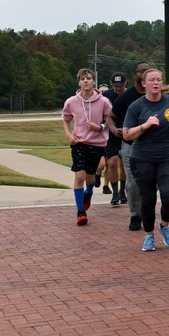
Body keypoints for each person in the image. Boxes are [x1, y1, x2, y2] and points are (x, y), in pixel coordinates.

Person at [122, 68, 169, 252]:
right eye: (152, 80)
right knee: (147, 200)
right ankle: (148, 235)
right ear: (144, 84)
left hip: (168, 156)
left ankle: (164, 225)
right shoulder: (136, 106)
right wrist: (145, 125)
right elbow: (126, 135)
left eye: (159, 80)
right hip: (142, 158)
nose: (156, 83)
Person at [61, 69, 113, 226]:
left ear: (93, 81)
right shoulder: (71, 102)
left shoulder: (103, 101)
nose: (85, 81)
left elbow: (110, 120)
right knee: (80, 176)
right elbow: (65, 119)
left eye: (89, 78)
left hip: (96, 144)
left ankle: (89, 192)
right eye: (82, 79)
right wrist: (69, 135)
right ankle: (80, 212)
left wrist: (99, 127)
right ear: (78, 82)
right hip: (79, 143)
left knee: (90, 178)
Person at [110, 62, 150, 231]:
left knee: (150, 182)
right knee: (133, 183)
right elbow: (110, 117)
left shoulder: (157, 95)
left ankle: (147, 212)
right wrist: (113, 130)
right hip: (130, 145)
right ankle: (135, 214)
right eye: (140, 71)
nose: (143, 73)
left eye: (146, 71)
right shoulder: (126, 97)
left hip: (152, 145)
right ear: (134, 75)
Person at [102, 73, 127, 205]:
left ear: (125, 84)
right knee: (112, 163)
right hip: (111, 133)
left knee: (124, 164)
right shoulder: (106, 96)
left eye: (120, 86)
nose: (118, 88)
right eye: (115, 86)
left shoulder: (129, 96)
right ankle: (115, 193)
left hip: (127, 132)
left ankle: (123, 190)